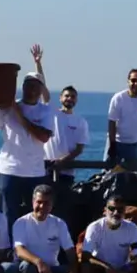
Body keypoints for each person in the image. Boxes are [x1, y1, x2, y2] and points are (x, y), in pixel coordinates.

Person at [0, 69, 56, 225]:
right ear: (23, 87)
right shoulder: (6, 108)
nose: (31, 90)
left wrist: (19, 114)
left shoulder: (46, 111)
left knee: (34, 215)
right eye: (28, 86)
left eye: (35, 87)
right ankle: (8, 248)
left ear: (40, 90)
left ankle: (28, 247)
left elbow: (43, 136)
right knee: (8, 214)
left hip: (35, 172)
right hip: (10, 170)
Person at [45, 84, 91, 215]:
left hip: (67, 173)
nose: (69, 99)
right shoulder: (53, 114)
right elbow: (43, 90)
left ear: (76, 100)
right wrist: (38, 65)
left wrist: (62, 161)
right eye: (66, 96)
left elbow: (79, 148)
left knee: (62, 207)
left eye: (72, 97)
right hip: (46, 170)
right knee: (45, 205)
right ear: (60, 98)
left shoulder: (80, 122)